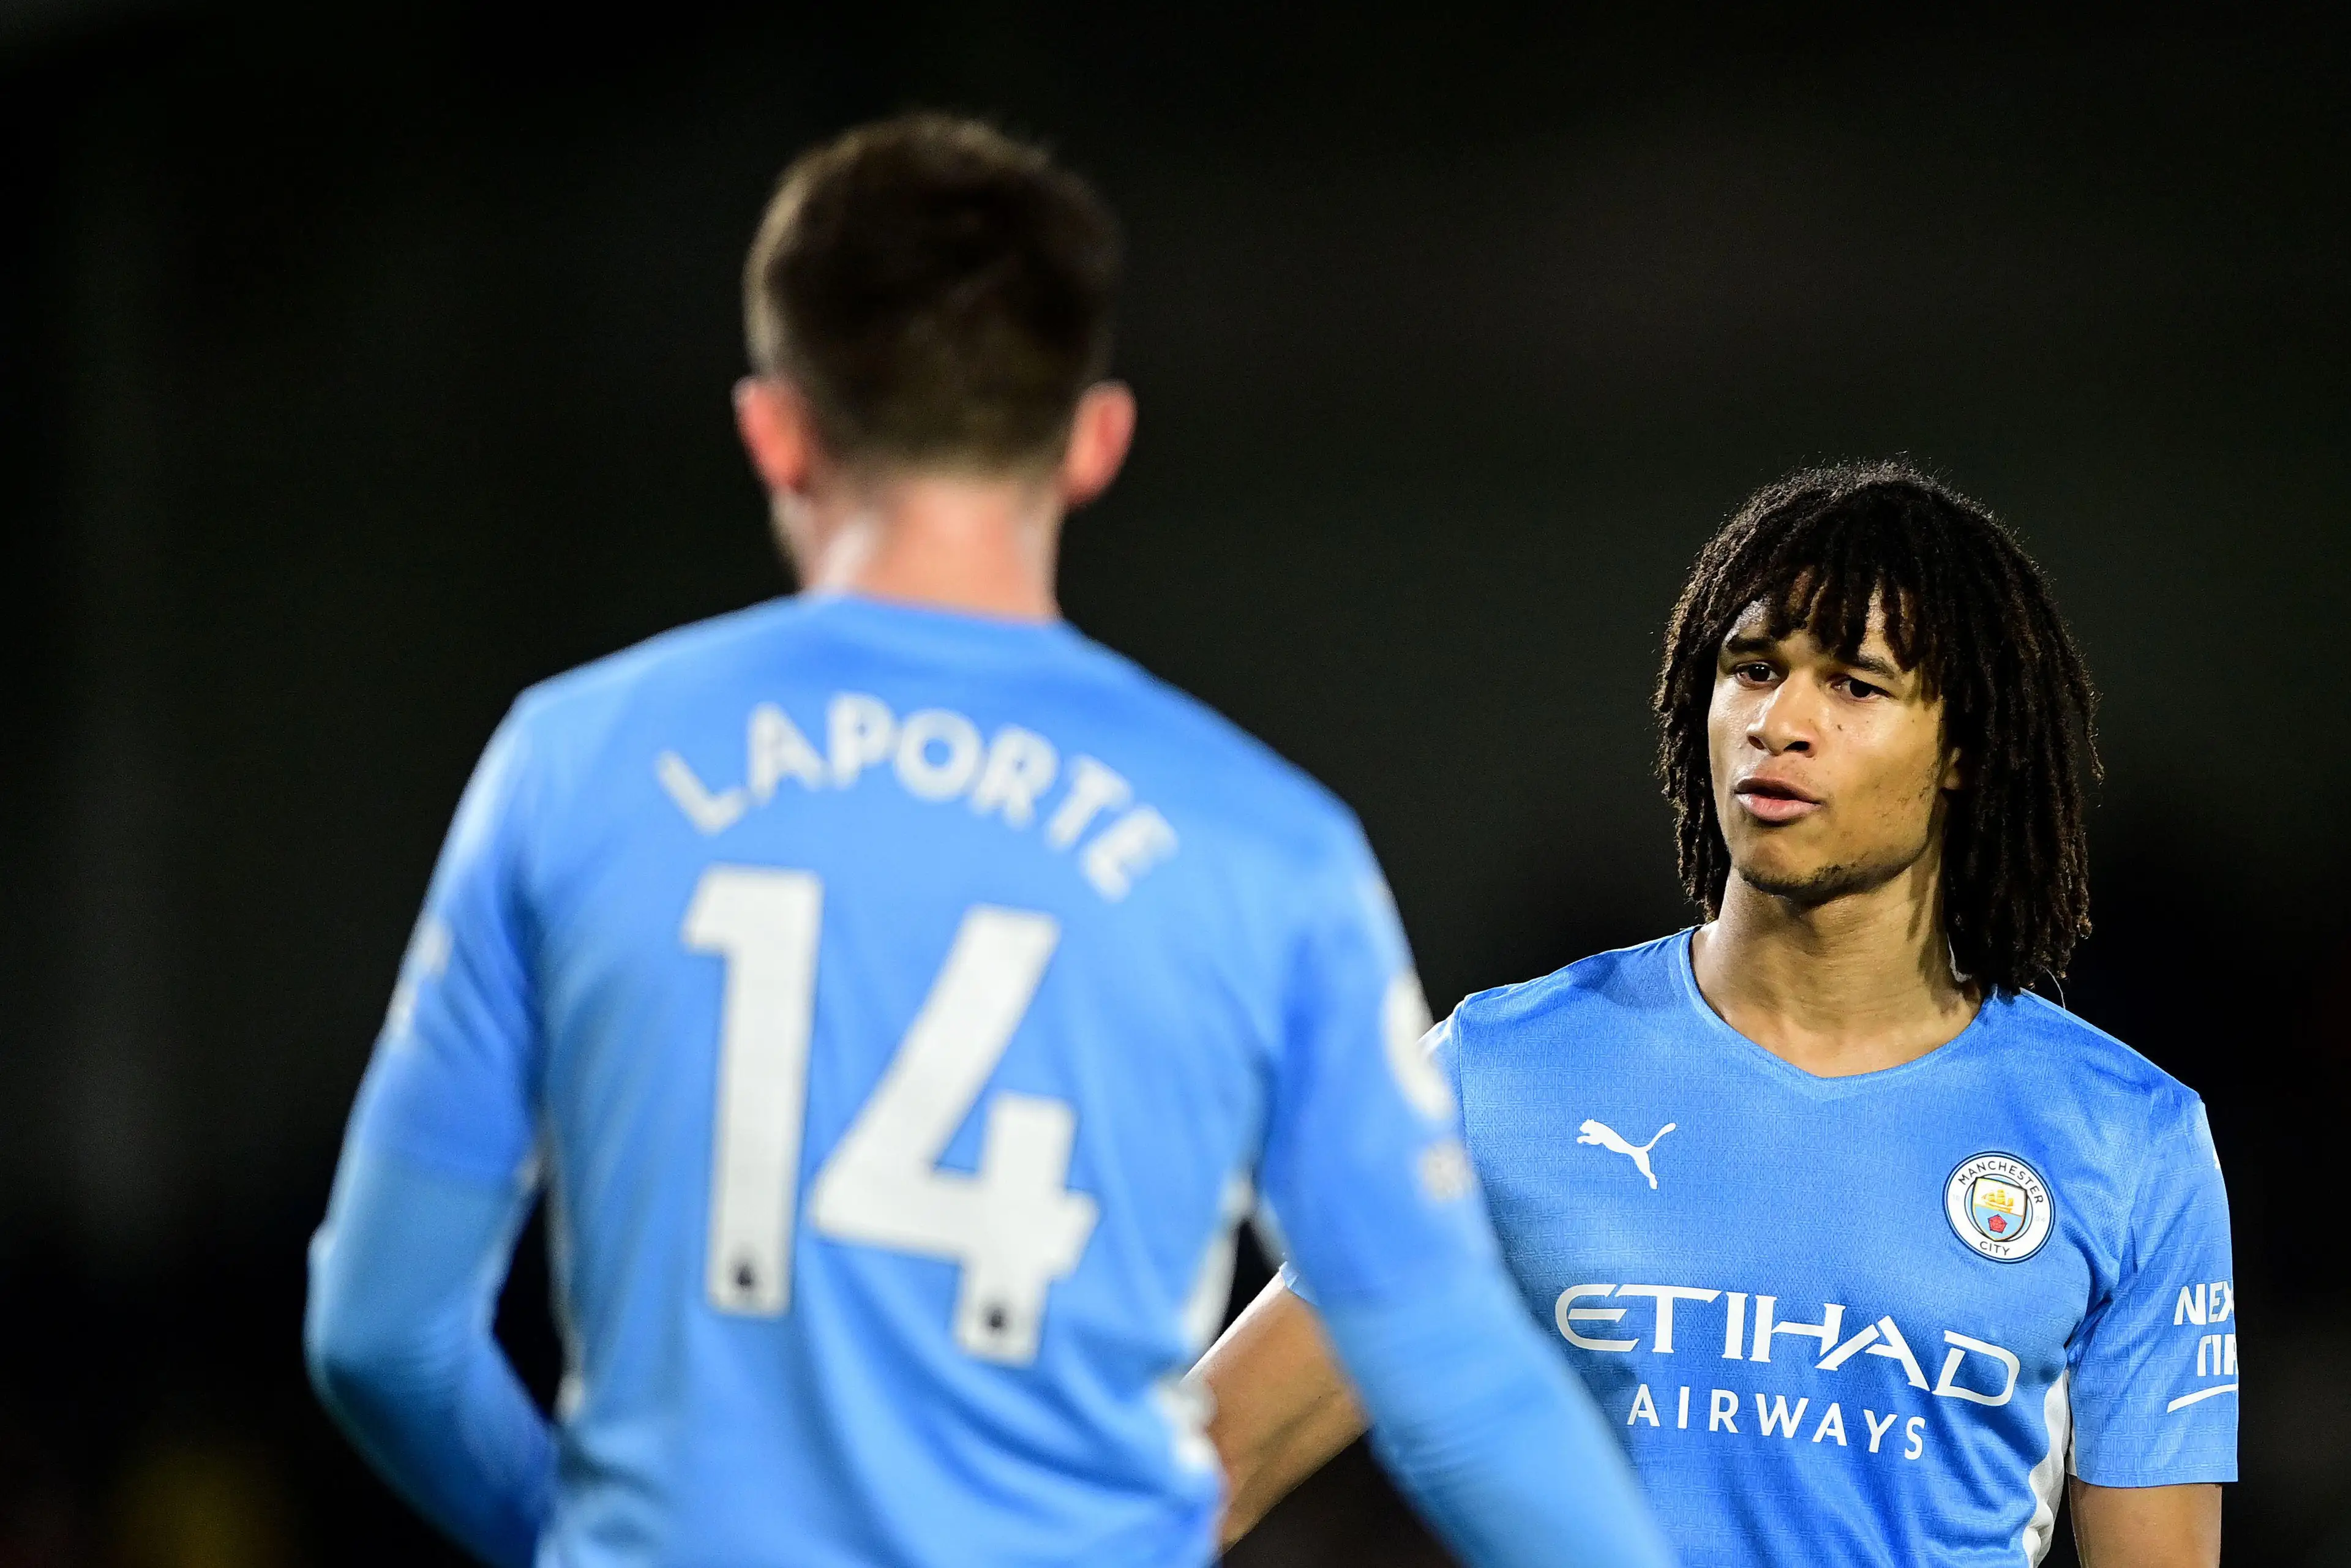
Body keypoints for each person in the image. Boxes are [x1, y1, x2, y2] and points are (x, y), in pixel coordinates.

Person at [301, 114, 1670, 1568]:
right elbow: (1457, 1389)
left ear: (772, 426)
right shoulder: (1268, 847)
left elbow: (380, 1336)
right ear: (1096, 442)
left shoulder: (571, 764)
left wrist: (580, 1540)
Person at [1198, 463, 2237, 1567]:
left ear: (1966, 754)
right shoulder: (1497, 1076)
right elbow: (1204, 1473)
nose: (1780, 722)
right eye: (1753, 669)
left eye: (1856, 685)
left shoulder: (2127, 1139)